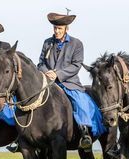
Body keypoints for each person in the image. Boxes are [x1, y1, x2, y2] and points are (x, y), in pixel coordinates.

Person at [37, 11, 106, 149]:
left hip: (69, 83)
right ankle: (26, 136)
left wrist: (58, 74)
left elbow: (76, 65)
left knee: (80, 102)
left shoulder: (76, 44)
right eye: (55, 28)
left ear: (66, 29)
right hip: (48, 83)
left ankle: (85, 132)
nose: (57, 31)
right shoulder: (47, 43)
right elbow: (40, 63)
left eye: (60, 29)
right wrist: (46, 72)